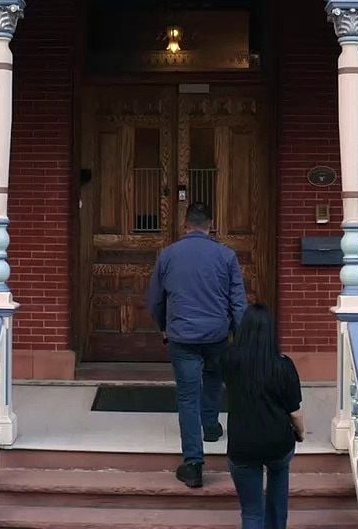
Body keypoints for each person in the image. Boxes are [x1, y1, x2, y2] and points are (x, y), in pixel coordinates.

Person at [147, 202, 247, 488]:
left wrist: (164, 326)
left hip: (182, 335)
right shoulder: (226, 256)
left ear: (185, 224)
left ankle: (193, 463)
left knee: (188, 396)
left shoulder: (168, 255)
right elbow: (238, 302)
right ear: (210, 225)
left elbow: (155, 299)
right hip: (217, 333)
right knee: (214, 379)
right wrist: (240, 335)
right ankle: (211, 427)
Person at [222, 304, 304, 529]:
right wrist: (300, 433)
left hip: (242, 444)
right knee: (278, 503)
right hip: (278, 442)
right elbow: (295, 413)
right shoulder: (284, 366)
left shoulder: (229, 361)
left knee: (251, 512)